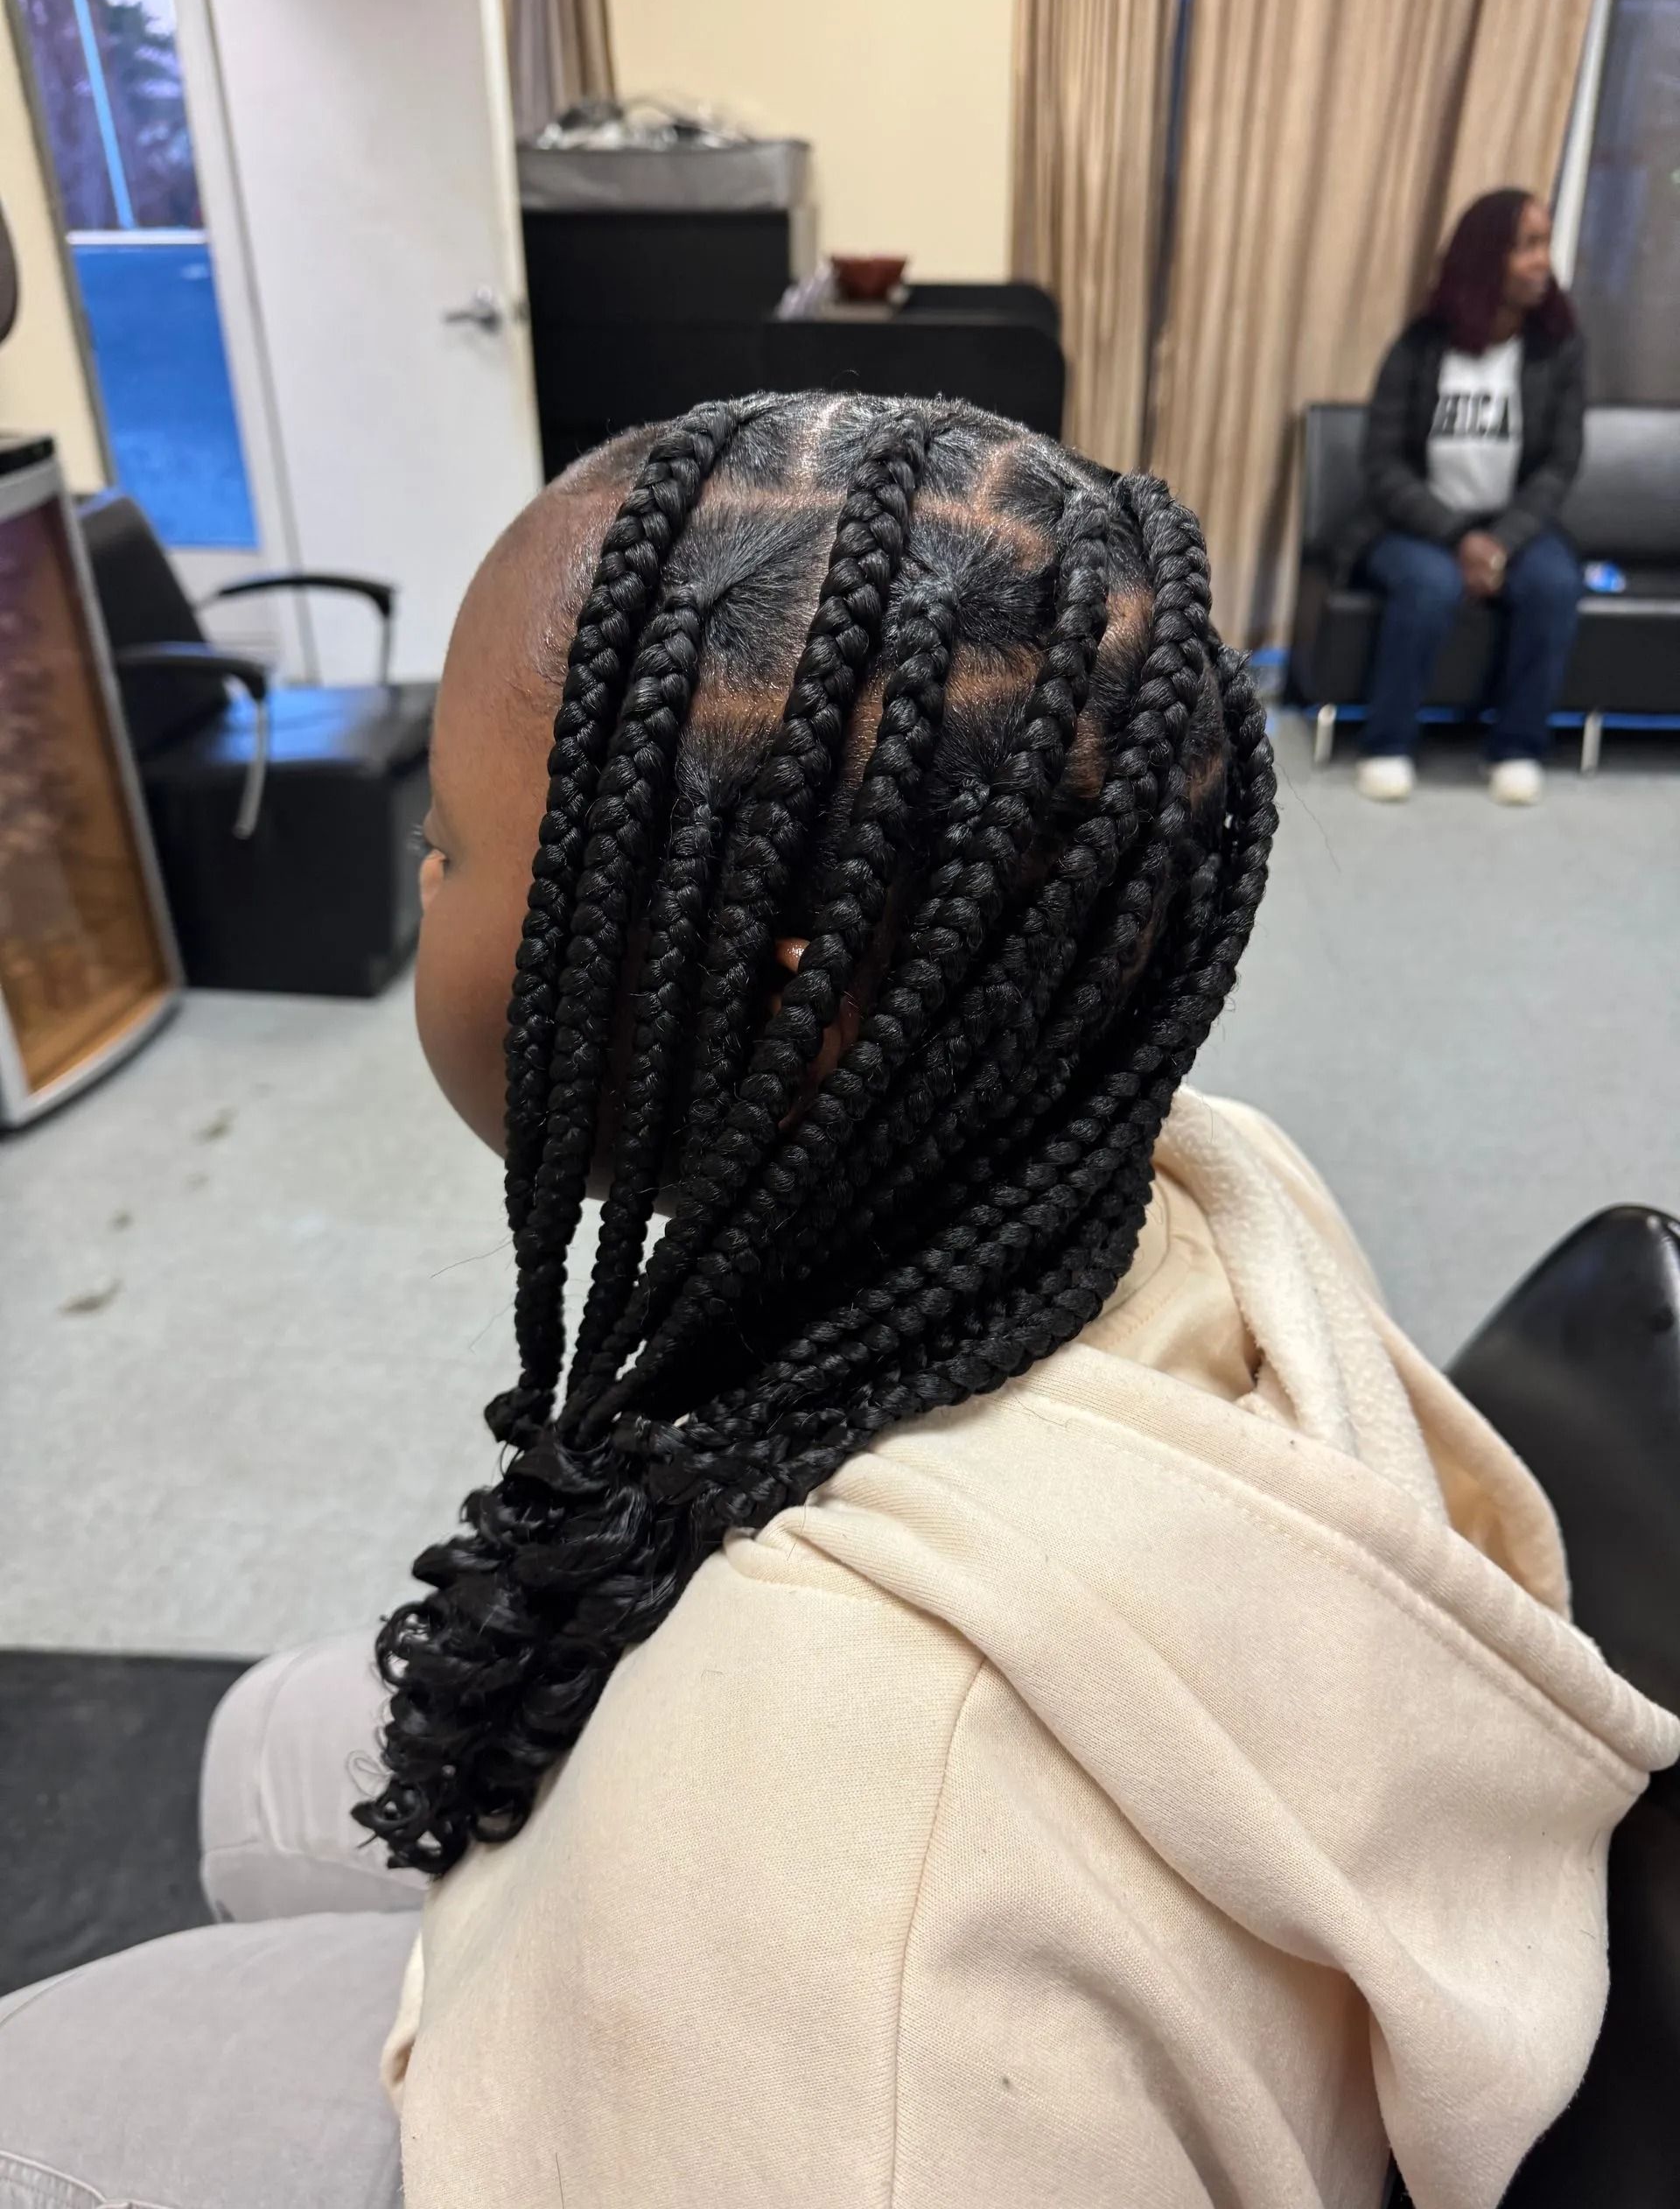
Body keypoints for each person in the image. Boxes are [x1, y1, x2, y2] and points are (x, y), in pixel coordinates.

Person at [1, 395, 1674, 2209]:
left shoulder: (855, 1917)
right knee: (263, 1747)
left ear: (757, 1002)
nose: (424, 879)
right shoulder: (1160, 1165)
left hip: (773, 1960)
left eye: (450, 856)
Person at [1345, 188, 1586, 806]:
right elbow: (1383, 462)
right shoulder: (1421, 346)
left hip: (1513, 526)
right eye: (1526, 246)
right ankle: (1388, 743)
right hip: (1416, 527)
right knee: (1429, 585)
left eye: (1544, 244)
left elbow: (1560, 463)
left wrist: (1499, 542)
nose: (1543, 261)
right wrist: (1460, 538)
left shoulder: (1558, 348)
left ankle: (1516, 747)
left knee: (1555, 585)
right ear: (1485, 258)